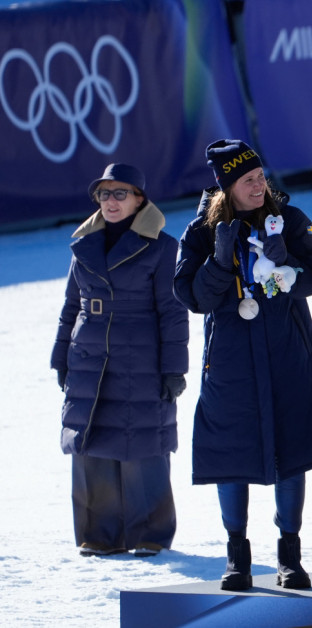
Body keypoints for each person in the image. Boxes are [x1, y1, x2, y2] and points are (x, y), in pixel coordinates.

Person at [173, 139, 312, 591]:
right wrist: (218, 259)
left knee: (291, 453)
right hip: (230, 364)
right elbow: (193, 297)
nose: (259, 185)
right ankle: (237, 558)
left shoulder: (288, 220)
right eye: (247, 180)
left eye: (260, 177)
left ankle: (289, 556)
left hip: (287, 354)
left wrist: (285, 260)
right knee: (232, 455)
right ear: (226, 188)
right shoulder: (200, 232)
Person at [51, 163, 189, 558]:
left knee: (144, 445)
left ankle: (150, 534)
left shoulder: (162, 246)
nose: (110, 202)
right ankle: (99, 534)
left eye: (120, 194)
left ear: (139, 199)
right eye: (104, 195)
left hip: (140, 356)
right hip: (89, 356)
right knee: (91, 444)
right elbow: (70, 306)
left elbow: (173, 311)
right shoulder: (84, 244)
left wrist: (173, 368)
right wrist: (60, 356)